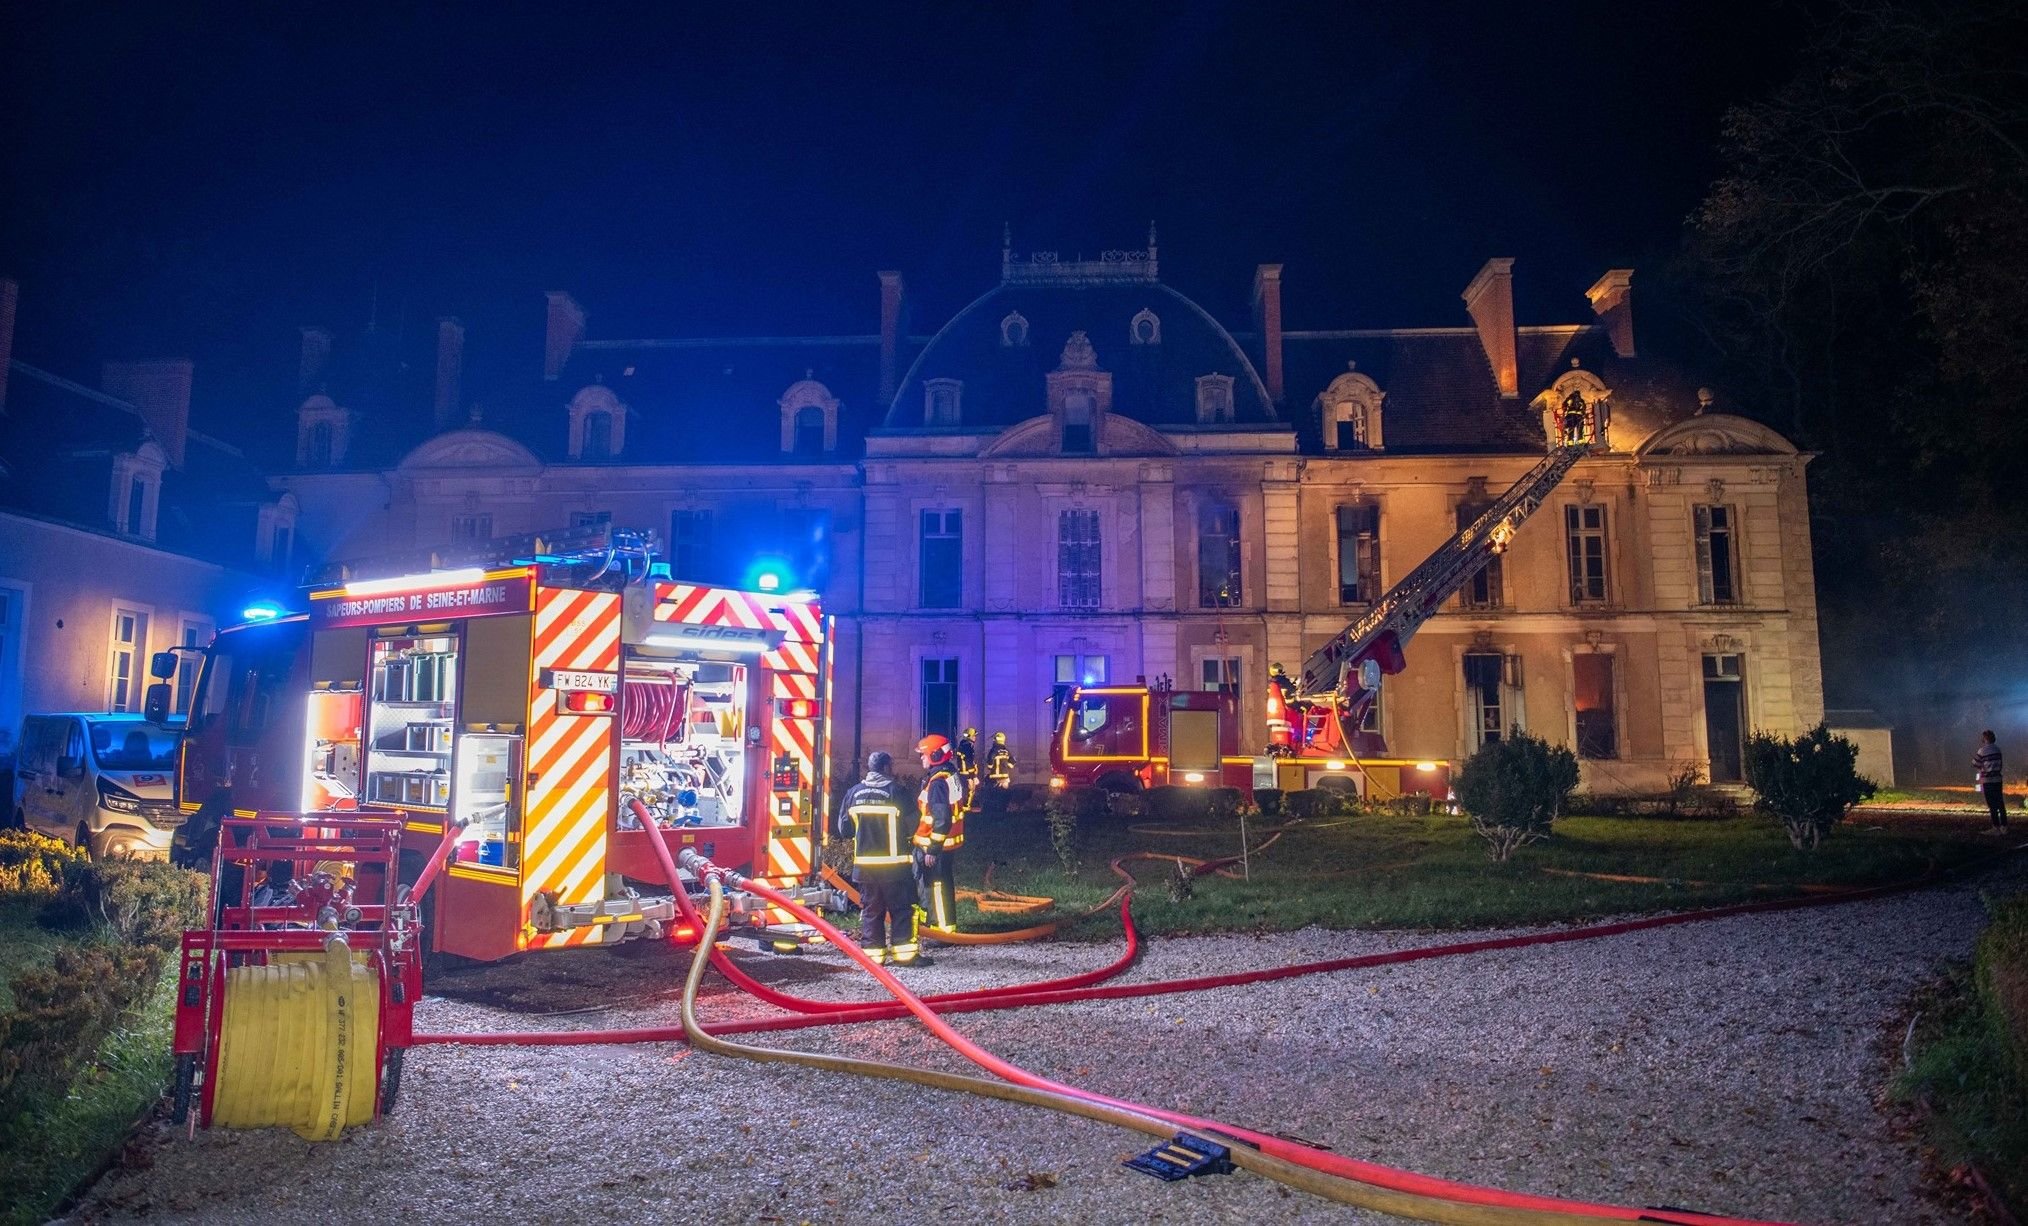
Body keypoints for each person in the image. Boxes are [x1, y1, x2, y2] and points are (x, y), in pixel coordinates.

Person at [835, 751, 925, 966]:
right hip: (895, 867)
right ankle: (905, 956)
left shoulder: (853, 793)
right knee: (902, 909)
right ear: (886, 767)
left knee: (871, 911)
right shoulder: (897, 792)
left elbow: (844, 829)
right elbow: (914, 824)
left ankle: (873, 958)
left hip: (865, 868)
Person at [913, 733, 966, 932]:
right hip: (946, 843)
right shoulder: (949, 775)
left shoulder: (937, 783)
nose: (921, 758)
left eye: (924, 754)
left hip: (936, 847)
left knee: (936, 888)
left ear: (935, 756)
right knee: (940, 886)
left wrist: (932, 849)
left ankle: (942, 930)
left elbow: (941, 819)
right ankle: (939, 925)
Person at [1975, 730, 2008, 832]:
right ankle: (2004, 826)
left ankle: (1995, 826)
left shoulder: (1982, 751)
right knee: (2000, 802)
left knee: (1992, 804)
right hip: (1997, 779)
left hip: (1987, 779)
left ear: (1985, 739)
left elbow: (1975, 763)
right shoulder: (1998, 749)